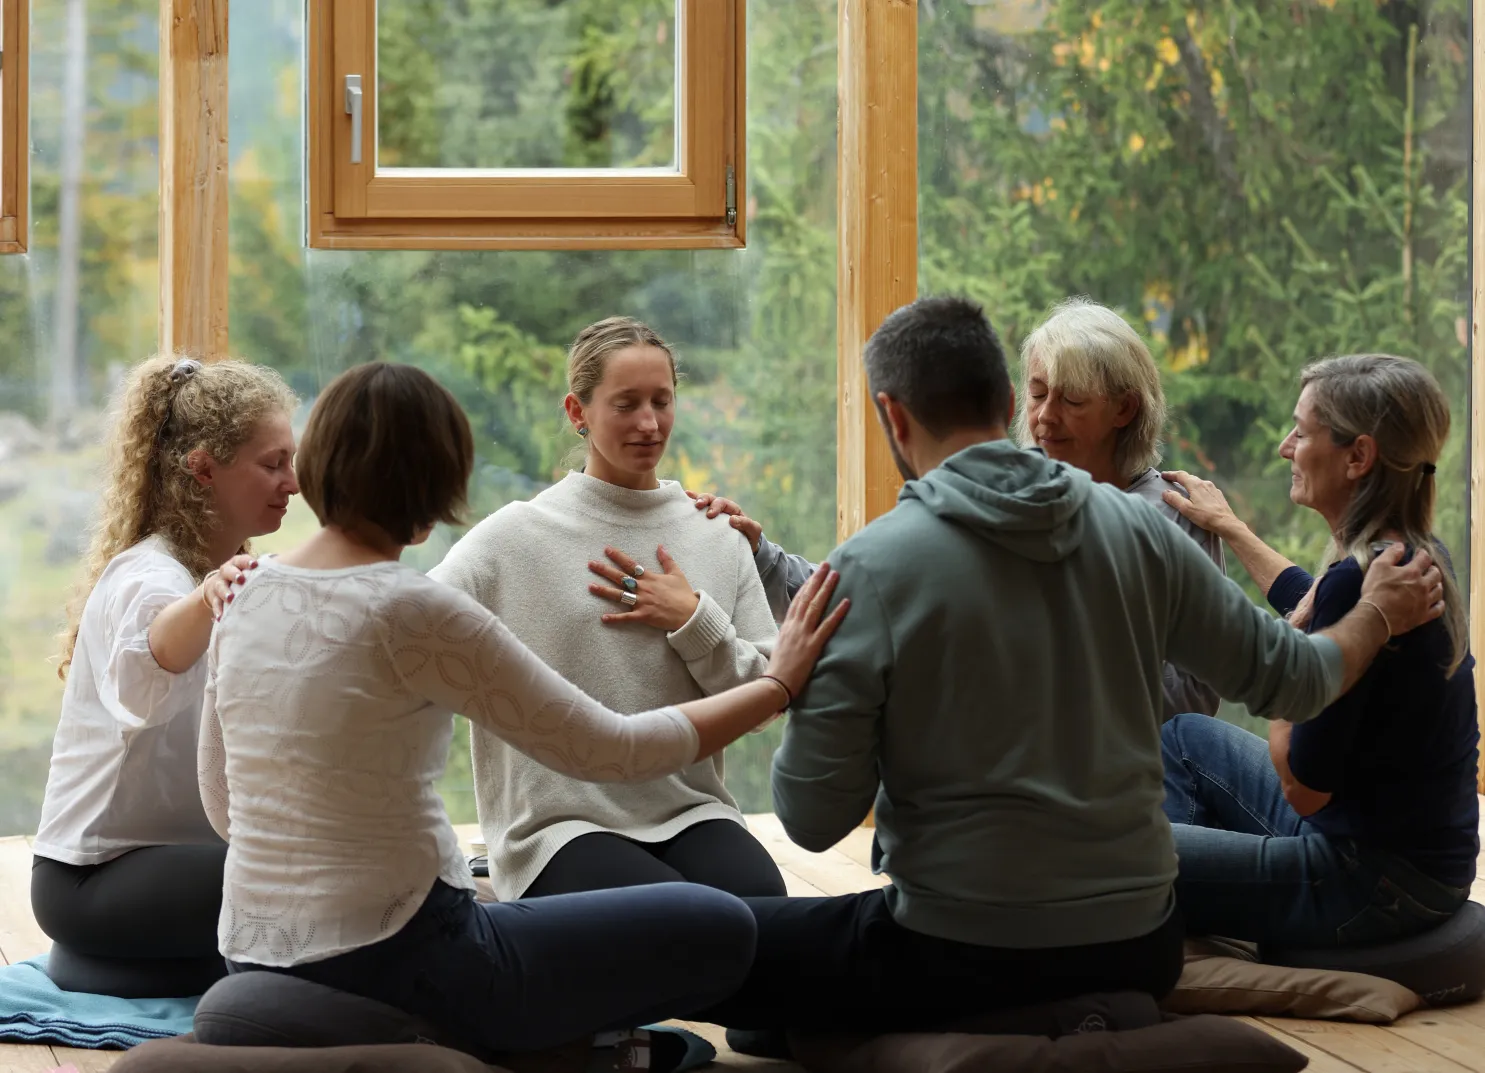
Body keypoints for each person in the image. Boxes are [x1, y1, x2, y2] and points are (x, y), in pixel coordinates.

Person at [685, 296, 1443, 1038]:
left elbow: (812, 822)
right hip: (1137, 942)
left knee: (707, 942)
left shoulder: (872, 567)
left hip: (959, 947)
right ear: (1013, 399)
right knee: (774, 1020)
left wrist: (790, 678)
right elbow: (1300, 678)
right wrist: (1374, 614)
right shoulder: (1144, 536)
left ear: (892, 414)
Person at [197, 362, 847, 1065]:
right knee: (720, 924)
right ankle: (523, 1045)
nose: (649, 420)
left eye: (662, 400)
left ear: (315, 464)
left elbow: (221, 802)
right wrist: (776, 684)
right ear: (439, 483)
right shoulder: (412, 608)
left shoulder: (243, 593)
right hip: (410, 952)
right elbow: (614, 751)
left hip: (250, 953)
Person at [696, 297, 1225, 719]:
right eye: (1039, 395)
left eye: (1072, 401)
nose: (1046, 418)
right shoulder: (1001, 499)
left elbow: (1194, 698)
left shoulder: (1178, 515)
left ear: (1125, 408)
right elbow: (871, 591)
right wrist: (762, 555)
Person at [430, 317, 785, 903]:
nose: (649, 423)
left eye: (661, 402)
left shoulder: (718, 535)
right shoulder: (515, 537)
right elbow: (402, 616)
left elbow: (767, 698)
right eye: (626, 404)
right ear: (578, 412)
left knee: (763, 914)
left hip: (691, 811)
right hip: (558, 827)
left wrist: (695, 621)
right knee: (679, 923)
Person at [1157, 354, 1478, 947]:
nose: (1285, 447)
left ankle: (1193, 921)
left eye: (1301, 432)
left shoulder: (1362, 583)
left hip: (1370, 883)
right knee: (1182, 735)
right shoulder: (1412, 552)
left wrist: (1291, 665)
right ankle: (1221, 890)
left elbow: (1302, 788)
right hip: (1421, 862)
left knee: (1130, 857)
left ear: (1358, 457)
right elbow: (1326, 610)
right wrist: (1230, 527)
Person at [32, 354, 298, 997]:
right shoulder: (151, 578)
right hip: (91, 881)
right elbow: (143, 675)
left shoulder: (225, 575)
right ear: (202, 466)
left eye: (291, 461)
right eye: (272, 463)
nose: (293, 483)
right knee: (315, 875)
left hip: (165, 869)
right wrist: (209, 597)